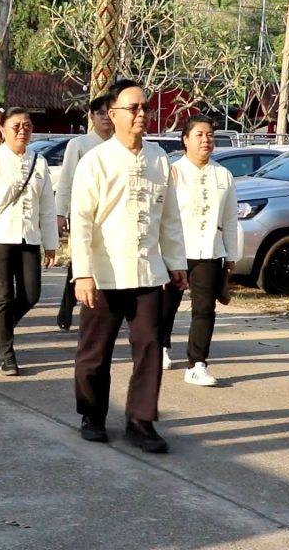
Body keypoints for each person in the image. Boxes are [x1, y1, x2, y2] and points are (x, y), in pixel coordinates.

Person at [71, 79, 187, 453]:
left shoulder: (159, 159)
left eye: (145, 107)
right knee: (95, 351)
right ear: (113, 113)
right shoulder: (95, 161)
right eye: (133, 108)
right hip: (104, 273)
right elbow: (81, 221)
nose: (141, 114)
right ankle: (92, 415)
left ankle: (140, 422)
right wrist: (83, 273)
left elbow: (169, 217)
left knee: (150, 346)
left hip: (147, 271)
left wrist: (176, 261)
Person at [0, 107, 57, 375]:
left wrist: (50, 244)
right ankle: (7, 355)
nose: (22, 130)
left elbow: (47, 207)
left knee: (31, 294)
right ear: (3, 130)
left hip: (29, 237)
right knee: (3, 296)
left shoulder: (38, 161)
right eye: (16, 126)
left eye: (27, 125)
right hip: (0, 238)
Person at [160, 115, 238, 386]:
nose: (206, 140)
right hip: (176, 251)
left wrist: (231, 255)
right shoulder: (173, 172)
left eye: (210, 135)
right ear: (185, 140)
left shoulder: (223, 175)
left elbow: (230, 218)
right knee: (166, 305)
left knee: (205, 309)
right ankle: (161, 345)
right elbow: (162, 216)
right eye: (199, 135)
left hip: (209, 251)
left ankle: (197, 364)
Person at [54, 94, 114, 331]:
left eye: (109, 113)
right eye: (100, 113)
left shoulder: (120, 144)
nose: (105, 118)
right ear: (91, 116)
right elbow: (66, 181)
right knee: (80, 261)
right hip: (85, 213)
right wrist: (61, 213)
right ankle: (67, 308)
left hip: (112, 215)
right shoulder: (79, 145)